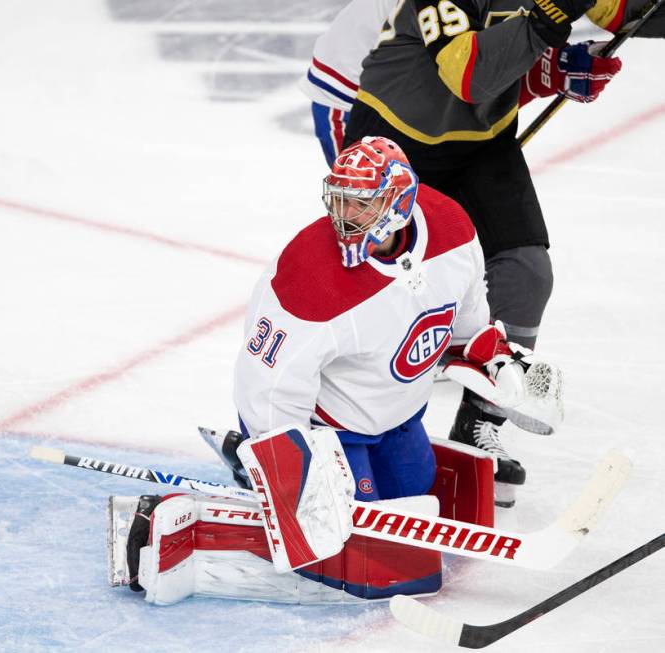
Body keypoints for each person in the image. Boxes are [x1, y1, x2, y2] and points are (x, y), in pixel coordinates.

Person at [116, 137, 558, 605]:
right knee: (355, 539)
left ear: (399, 202)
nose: (344, 216)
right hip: (330, 428)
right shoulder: (310, 278)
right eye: (340, 200)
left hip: (399, 416)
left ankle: (264, 471)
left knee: (414, 494)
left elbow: (463, 326)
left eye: (360, 204)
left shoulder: (450, 228)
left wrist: (494, 359)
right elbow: (266, 387)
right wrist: (289, 470)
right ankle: (237, 482)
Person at [302, 0, 663, 505]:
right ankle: (321, 421)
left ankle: (477, 423)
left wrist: (550, 70)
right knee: (379, 284)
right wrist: (544, 30)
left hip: (482, 144)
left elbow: (619, 10)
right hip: (388, 138)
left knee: (527, 274)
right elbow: (467, 74)